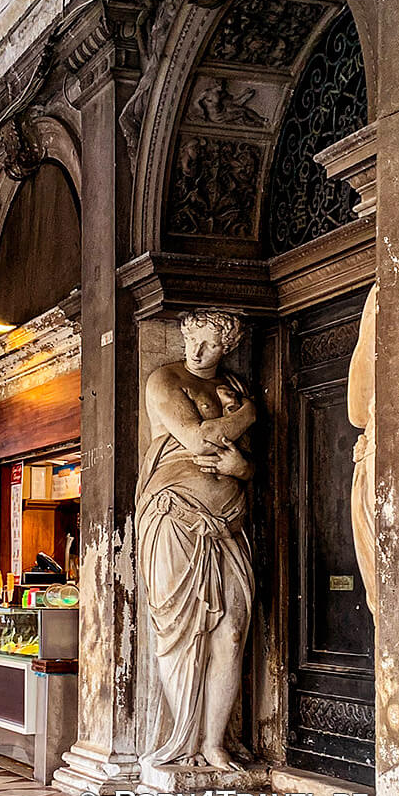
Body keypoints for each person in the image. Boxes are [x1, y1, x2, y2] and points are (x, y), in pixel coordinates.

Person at [135, 309, 256, 770]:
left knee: (232, 632)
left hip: (228, 526)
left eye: (209, 344)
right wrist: (248, 413)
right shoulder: (166, 380)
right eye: (192, 340)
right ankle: (182, 739)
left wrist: (241, 469)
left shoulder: (232, 386)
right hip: (173, 519)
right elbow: (200, 440)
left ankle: (214, 743)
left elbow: (248, 463)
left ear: (227, 346)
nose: (197, 351)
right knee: (182, 633)